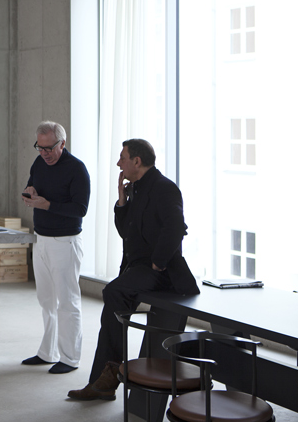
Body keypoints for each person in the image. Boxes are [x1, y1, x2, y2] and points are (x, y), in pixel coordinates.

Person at [67, 138, 199, 399]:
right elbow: (125, 232)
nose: (119, 163)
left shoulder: (165, 188)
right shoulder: (136, 189)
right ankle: (105, 378)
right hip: (138, 268)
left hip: (162, 272)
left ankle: (108, 376)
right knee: (113, 301)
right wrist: (122, 201)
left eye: (123, 158)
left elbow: (176, 227)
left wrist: (158, 262)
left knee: (114, 292)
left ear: (137, 161)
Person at [21, 121, 90, 374]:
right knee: (46, 300)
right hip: (41, 239)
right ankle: (48, 352)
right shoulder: (39, 163)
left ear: (63, 143)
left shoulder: (77, 169)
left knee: (67, 302)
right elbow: (32, 186)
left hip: (65, 242)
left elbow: (80, 209)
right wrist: (29, 192)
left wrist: (47, 205)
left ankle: (70, 358)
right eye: (40, 148)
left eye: (49, 148)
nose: (45, 153)